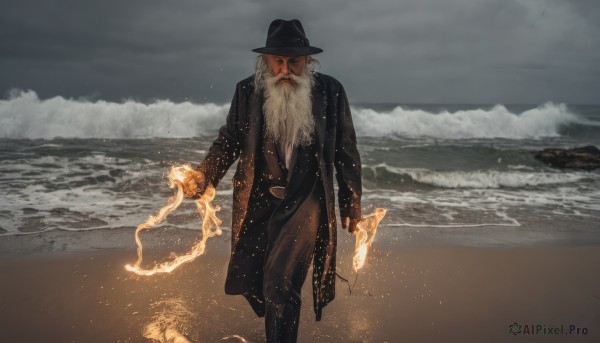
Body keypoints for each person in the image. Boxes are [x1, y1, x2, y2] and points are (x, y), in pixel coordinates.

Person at [182, 19, 362, 343]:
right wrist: (204, 174)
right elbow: (230, 140)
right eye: (277, 61)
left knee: (280, 281)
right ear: (265, 61)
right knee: (265, 284)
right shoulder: (247, 91)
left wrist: (351, 199)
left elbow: (345, 150)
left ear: (308, 60)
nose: (285, 69)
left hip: (306, 200)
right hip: (260, 199)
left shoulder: (330, 92)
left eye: (293, 61)